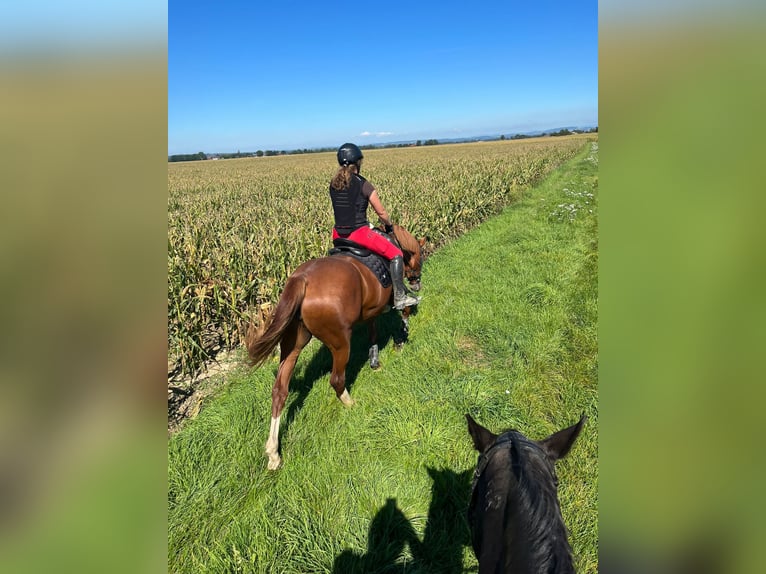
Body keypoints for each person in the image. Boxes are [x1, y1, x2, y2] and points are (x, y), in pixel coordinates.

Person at [329, 143, 420, 310]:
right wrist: (389, 225)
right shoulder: (363, 184)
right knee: (396, 254)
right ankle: (399, 297)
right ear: (357, 163)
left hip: (337, 235)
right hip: (359, 233)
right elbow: (381, 213)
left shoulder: (334, 184)